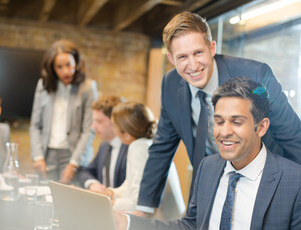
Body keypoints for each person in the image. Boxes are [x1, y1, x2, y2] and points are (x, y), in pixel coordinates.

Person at [137, 11, 301, 213]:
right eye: (182, 57)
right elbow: (162, 147)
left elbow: (292, 136)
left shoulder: (256, 75)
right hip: (210, 188)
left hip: (264, 185)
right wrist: (144, 208)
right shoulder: (170, 84)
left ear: (212, 48)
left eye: (198, 53)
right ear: (171, 58)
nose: (193, 65)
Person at [114, 77, 301, 230]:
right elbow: (190, 229)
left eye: (237, 122)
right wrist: (125, 223)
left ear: (261, 127)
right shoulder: (209, 167)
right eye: (219, 121)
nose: (224, 132)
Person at [94, 101, 185, 220]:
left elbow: (138, 203)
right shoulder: (146, 143)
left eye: (113, 125)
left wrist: (109, 203)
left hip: (164, 225)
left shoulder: (138, 147)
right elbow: (129, 185)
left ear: (126, 134)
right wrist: (111, 193)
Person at [29, 39, 98, 184]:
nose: (65, 71)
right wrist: (37, 157)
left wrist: (73, 164)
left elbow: (88, 130)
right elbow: (35, 125)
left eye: (68, 65)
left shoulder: (88, 87)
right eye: (59, 67)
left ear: (76, 62)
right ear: (52, 68)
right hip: (47, 155)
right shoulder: (43, 85)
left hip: (73, 155)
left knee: (71, 202)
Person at [78, 95, 128, 190]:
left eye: (99, 121)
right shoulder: (104, 146)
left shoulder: (130, 148)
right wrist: (93, 184)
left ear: (116, 121)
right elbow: (86, 172)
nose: (93, 127)